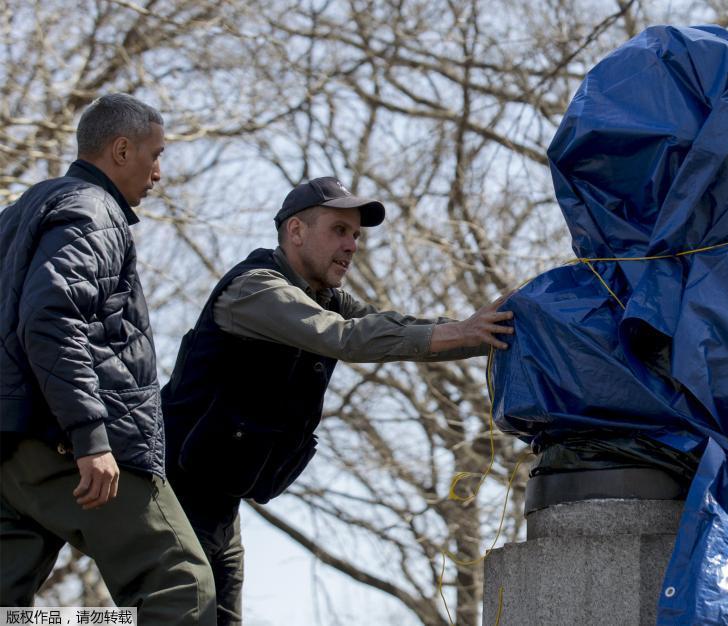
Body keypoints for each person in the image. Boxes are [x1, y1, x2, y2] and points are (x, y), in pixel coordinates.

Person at [161, 176, 514, 625]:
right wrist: (465, 331)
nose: (351, 246)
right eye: (339, 230)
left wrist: (493, 331)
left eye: (356, 236)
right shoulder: (254, 290)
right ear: (296, 231)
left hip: (218, 502)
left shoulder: (326, 298)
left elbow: (396, 327)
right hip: (168, 493)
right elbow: (346, 338)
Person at [0, 94, 216, 624]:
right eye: (155, 155)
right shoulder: (93, 211)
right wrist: (90, 437)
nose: (159, 173)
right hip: (65, 442)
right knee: (181, 586)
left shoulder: (19, 213)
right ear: (122, 150)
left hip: (11, 454)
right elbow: (51, 319)